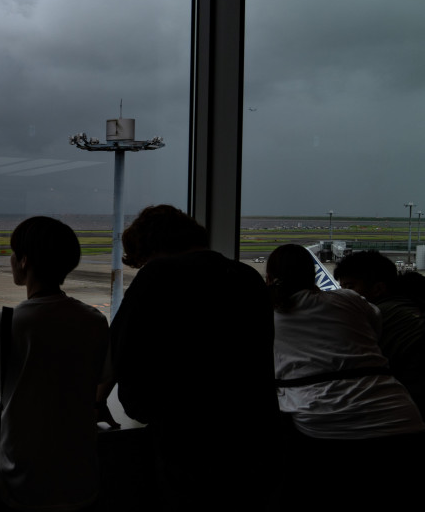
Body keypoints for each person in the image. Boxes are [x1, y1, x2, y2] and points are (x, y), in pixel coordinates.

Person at [108, 204, 277, 511]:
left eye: (143, 259)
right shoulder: (247, 276)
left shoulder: (160, 273)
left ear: (153, 248)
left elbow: (121, 349)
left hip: (189, 436)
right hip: (253, 429)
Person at [267, 244, 424, 511]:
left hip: (328, 429)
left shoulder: (268, 314)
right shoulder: (350, 300)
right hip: (402, 418)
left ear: (270, 278)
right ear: (312, 275)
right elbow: (374, 332)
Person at [0, 216, 108, 511]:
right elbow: (97, 377)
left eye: (13, 253)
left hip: (23, 479)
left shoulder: (3, 324)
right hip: (81, 476)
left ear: (24, 261)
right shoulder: (94, 320)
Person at [333, 249, 425, 411]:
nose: (342, 295)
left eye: (349, 287)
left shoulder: (376, 316)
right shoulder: (408, 307)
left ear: (378, 289)